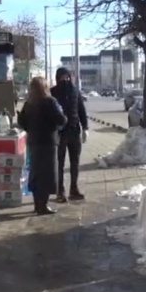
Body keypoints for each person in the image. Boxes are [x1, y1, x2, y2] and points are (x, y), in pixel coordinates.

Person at [17, 76, 66, 215]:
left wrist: (31, 129)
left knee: (36, 173)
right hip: (48, 143)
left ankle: (37, 204)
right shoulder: (50, 101)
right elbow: (61, 119)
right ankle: (43, 206)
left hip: (33, 142)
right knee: (47, 175)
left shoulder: (29, 103)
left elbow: (22, 122)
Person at [50, 67, 89, 203]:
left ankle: (72, 188)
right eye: (63, 77)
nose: (65, 80)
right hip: (61, 132)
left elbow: (81, 110)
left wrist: (85, 127)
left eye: (67, 77)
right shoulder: (54, 92)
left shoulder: (74, 90)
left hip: (73, 130)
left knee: (74, 162)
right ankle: (60, 190)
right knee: (60, 163)